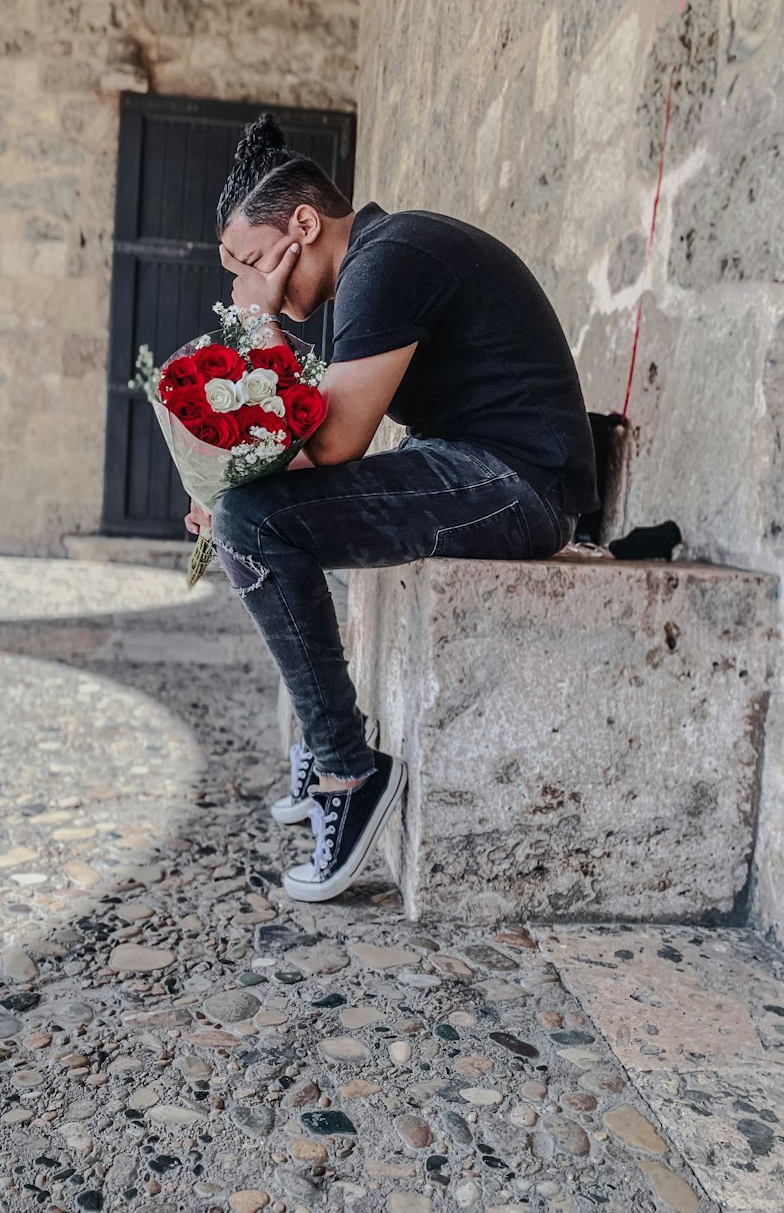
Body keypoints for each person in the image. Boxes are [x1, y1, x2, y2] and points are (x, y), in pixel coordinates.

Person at [186, 114, 599, 903]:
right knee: (253, 513)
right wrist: (224, 481)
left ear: (303, 226)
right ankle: (326, 741)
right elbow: (311, 444)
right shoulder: (366, 276)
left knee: (257, 522)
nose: (241, 287)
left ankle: (348, 769)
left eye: (248, 263)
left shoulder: (389, 260)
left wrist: (259, 322)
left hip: (523, 487)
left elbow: (336, 440)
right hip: (475, 469)